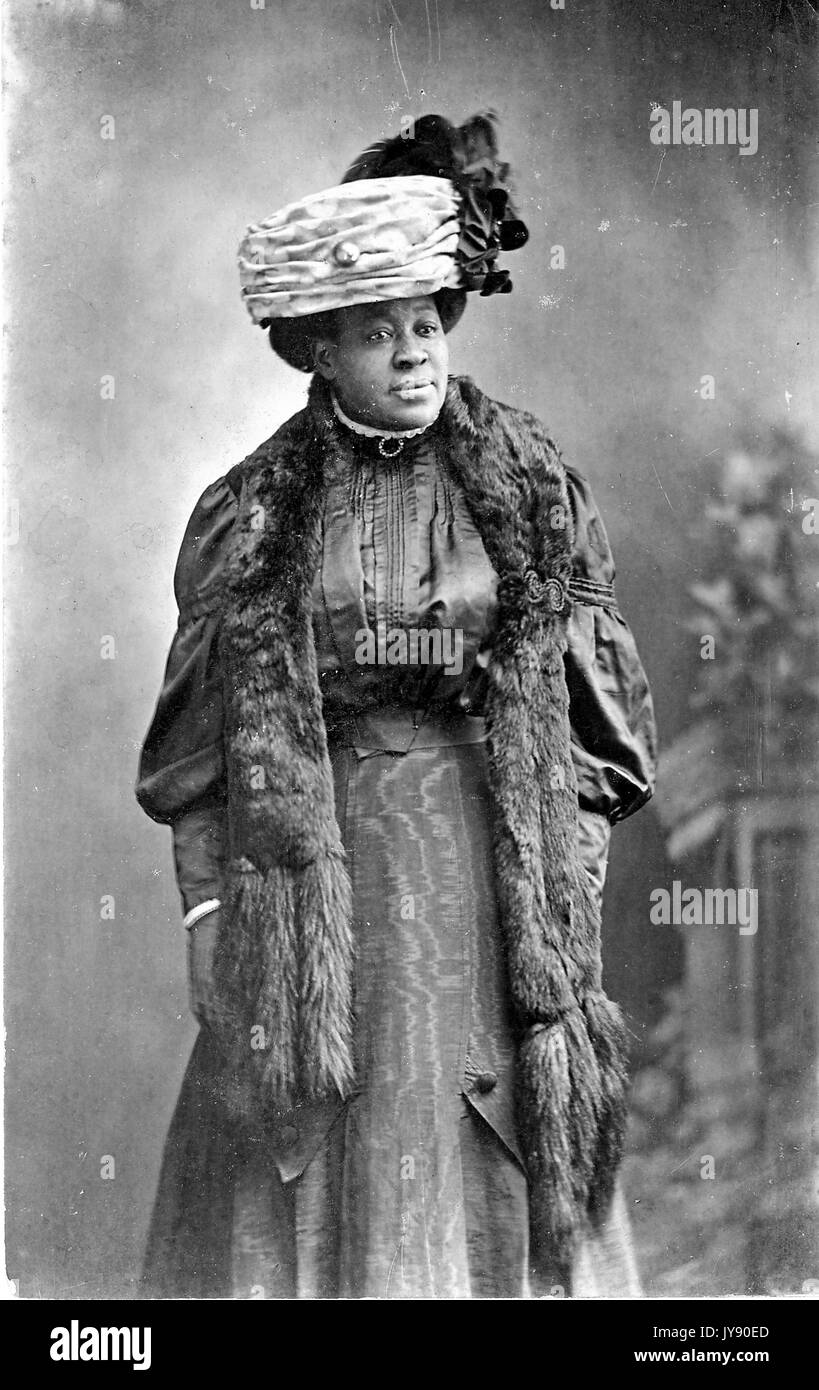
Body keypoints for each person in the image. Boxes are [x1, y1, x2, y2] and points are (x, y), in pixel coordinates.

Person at [135, 113, 657, 1300]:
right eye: (379, 331)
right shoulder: (254, 513)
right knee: (306, 1145)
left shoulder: (527, 481)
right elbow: (201, 759)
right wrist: (215, 921)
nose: (416, 353)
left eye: (428, 324)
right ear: (322, 348)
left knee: (509, 1146)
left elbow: (595, 735)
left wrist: (562, 885)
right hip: (317, 879)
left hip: (491, 869)